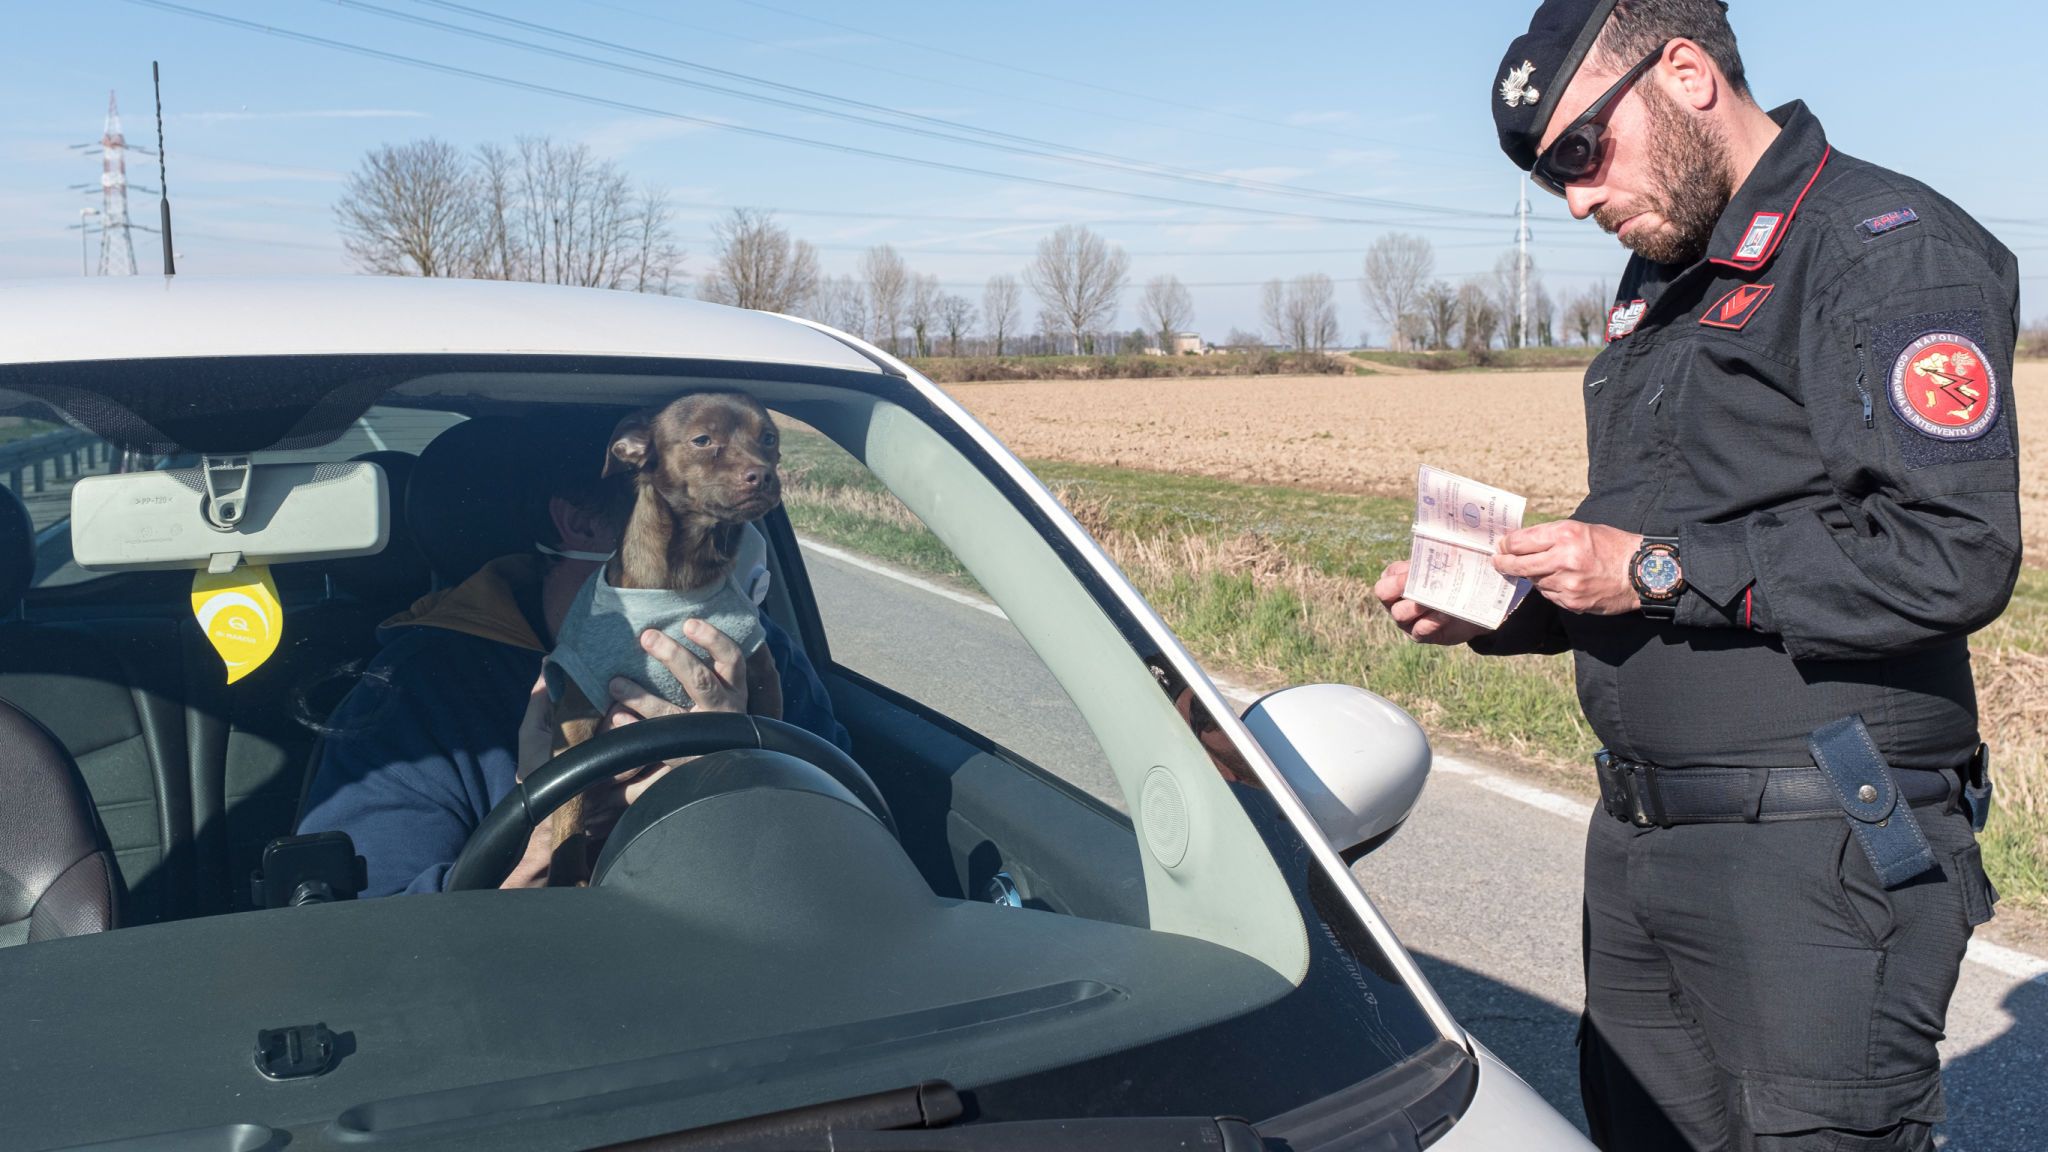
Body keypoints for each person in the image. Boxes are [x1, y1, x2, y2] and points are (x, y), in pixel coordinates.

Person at [1376, 2, 2020, 1148]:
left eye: (1579, 153)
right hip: (1642, 840)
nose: (1573, 199)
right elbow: (1658, 547)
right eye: (1545, 180)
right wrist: (1501, 606)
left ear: (1682, 73)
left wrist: (1656, 569)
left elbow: (1949, 554)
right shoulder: (1663, 276)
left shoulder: (1882, 247)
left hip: (1813, 855)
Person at [297, 418, 848, 897]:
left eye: (728, 531)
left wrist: (746, 766)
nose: (717, 559)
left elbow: (850, 847)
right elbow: (369, 937)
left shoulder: (756, 652)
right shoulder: (417, 691)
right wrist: (547, 840)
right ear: (581, 525)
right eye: (687, 527)